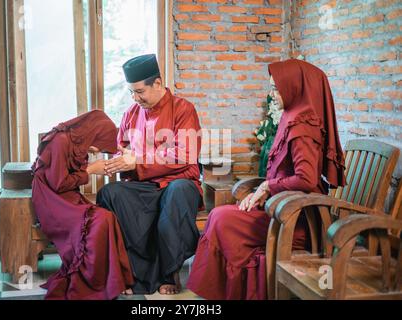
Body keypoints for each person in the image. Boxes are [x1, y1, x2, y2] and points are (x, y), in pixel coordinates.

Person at [186, 59, 346, 300]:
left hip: (298, 220)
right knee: (220, 216)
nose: (272, 95)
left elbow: (306, 179)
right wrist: (263, 191)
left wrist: (266, 186)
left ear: (294, 86)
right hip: (281, 208)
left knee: (220, 218)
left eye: (276, 88)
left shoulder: (303, 126)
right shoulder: (293, 115)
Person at [96, 54, 203, 295]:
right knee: (110, 194)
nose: (135, 98)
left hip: (179, 182)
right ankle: (134, 274)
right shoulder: (130, 114)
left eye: (139, 91)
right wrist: (115, 162)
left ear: (157, 83)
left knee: (176, 193)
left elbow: (185, 155)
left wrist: (138, 160)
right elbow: (122, 152)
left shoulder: (184, 109)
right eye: (131, 92)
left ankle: (168, 273)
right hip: (145, 185)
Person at [31, 110, 134, 300]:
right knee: (99, 220)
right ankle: (92, 284)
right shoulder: (61, 141)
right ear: (92, 133)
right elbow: (58, 183)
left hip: (67, 196)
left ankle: (113, 281)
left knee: (107, 217)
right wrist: (91, 170)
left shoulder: (78, 142)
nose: (95, 151)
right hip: (51, 199)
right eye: (99, 145)